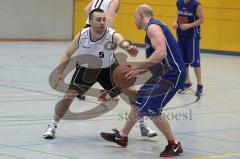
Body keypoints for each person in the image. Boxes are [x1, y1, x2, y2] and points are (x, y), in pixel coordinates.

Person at [43, 8, 153, 140]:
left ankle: (143, 125)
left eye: (104, 19)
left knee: (133, 93)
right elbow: (67, 54)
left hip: (109, 69)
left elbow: (121, 41)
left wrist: (128, 47)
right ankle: (52, 126)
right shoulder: (82, 35)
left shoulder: (110, 33)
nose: (102, 22)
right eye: (98, 19)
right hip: (86, 70)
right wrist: (60, 73)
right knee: (68, 97)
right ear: (90, 21)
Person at [100, 4, 186, 157]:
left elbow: (161, 52)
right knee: (138, 101)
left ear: (141, 15)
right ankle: (122, 136)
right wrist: (138, 71)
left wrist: (137, 67)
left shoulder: (153, 27)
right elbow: (157, 60)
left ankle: (174, 144)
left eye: (134, 17)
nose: (134, 21)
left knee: (152, 109)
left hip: (172, 74)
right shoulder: (153, 28)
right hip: (161, 73)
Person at [79, 0, 158, 137]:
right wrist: (109, 36)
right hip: (100, 40)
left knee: (72, 90)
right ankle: (143, 125)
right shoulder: (114, 1)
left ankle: (53, 125)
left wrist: (93, 24)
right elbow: (109, 19)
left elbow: (87, 10)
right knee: (128, 88)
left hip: (88, 39)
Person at [173, 0, 204, 96]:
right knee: (183, 61)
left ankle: (200, 85)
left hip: (192, 36)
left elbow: (201, 19)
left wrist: (189, 25)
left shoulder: (196, 5)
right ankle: (187, 82)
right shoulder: (179, 2)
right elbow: (178, 15)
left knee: (194, 61)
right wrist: (175, 22)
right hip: (181, 35)